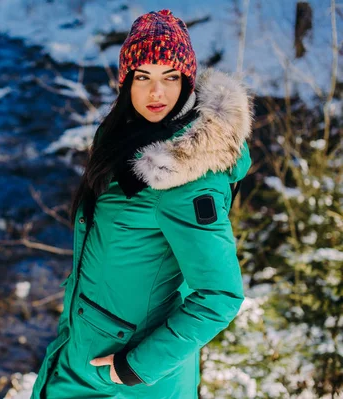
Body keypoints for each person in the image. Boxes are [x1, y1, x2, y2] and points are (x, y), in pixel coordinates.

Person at [29, 9, 253, 399]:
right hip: (86, 351)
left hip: (124, 380)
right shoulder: (126, 140)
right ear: (126, 83)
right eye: (143, 77)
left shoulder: (185, 176)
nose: (156, 94)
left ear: (187, 82)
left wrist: (134, 369)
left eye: (170, 77)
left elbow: (220, 295)